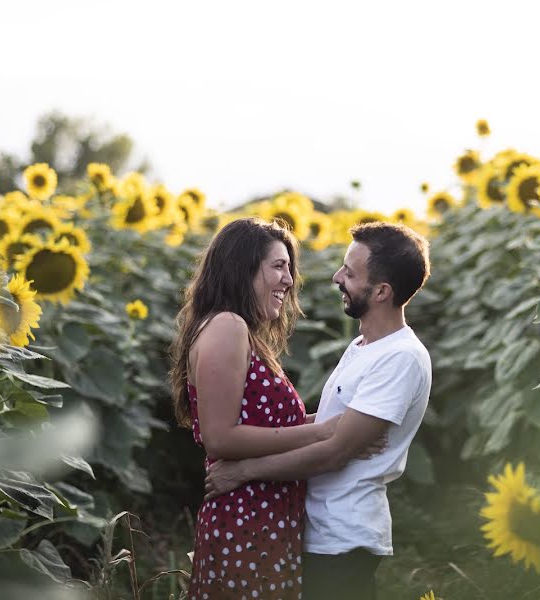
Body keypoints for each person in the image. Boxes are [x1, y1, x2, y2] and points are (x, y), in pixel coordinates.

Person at [205, 221, 432, 600]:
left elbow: (335, 452)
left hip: (343, 539)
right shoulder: (364, 345)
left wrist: (243, 472)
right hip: (318, 530)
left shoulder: (401, 358)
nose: (337, 276)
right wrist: (326, 428)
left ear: (381, 291)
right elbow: (331, 428)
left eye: (350, 272)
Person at [169, 217, 344, 599]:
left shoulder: (242, 332)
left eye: (289, 268)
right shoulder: (226, 327)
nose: (288, 280)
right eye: (278, 266)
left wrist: (345, 418)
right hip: (245, 521)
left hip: (265, 519)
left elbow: (277, 424)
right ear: (242, 268)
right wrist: (323, 431)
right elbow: (220, 437)